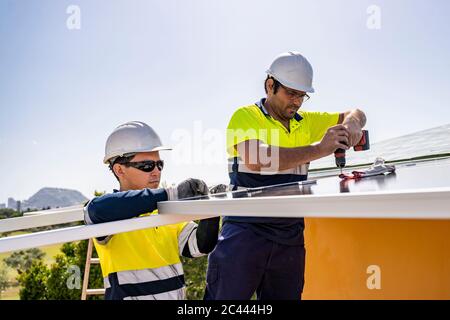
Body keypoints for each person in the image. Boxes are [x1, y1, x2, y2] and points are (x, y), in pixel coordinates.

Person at [204, 51, 367, 300]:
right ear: (270, 86)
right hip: (245, 233)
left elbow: (356, 112)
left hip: (289, 236)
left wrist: (353, 123)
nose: (297, 102)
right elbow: (258, 160)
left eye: (302, 96)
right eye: (291, 93)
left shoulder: (305, 121)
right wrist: (319, 149)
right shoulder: (246, 116)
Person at [84, 121, 220, 300]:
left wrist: (212, 210)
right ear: (119, 170)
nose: (156, 172)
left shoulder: (167, 211)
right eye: (147, 166)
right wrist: (173, 194)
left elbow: (200, 246)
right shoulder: (109, 213)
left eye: (159, 165)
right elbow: (94, 210)